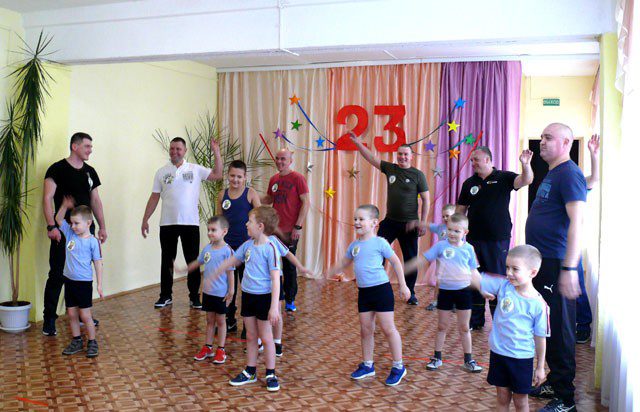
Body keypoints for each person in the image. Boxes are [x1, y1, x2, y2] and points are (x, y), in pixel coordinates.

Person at [526, 123, 586, 412]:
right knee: (547, 324)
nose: (542, 142)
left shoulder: (569, 173)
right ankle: (553, 381)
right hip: (544, 262)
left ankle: (565, 398)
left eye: (549, 138)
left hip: (557, 262)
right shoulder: (555, 172)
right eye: (542, 137)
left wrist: (570, 268)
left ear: (566, 143)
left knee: (560, 330)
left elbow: (578, 222)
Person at [324, 204, 411, 386]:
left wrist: (403, 285)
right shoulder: (354, 246)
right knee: (365, 329)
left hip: (381, 290)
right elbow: (343, 263)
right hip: (364, 293)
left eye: (361, 219)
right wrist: (326, 275)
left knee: (388, 328)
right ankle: (368, 365)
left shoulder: (380, 243)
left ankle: (398, 366)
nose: (357, 222)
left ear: (374, 223)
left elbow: (396, 262)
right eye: (355, 219)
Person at [456, 146, 533, 330]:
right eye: (472, 160)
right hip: (473, 240)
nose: (473, 163)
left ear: (488, 160)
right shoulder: (469, 183)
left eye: (476, 159)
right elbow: (460, 210)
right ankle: (475, 321)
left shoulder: (504, 177)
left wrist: (525, 165)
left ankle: (499, 321)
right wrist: (456, 232)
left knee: (497, 279)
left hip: (498, 239)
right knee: (475, 279)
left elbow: (526, 180)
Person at [141, 136, 222, 309]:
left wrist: (216, 152)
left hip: (190, 223)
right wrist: (145, 219)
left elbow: (218, 175)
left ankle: (194, 297)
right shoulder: (161, 172)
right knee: (167, 260)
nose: (175, 151)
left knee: (192, 260)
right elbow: (154, 197)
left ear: (185, 151)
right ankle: (165, 296)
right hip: (167, 223)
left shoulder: (195, 169)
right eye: (172, 148)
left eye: (178, 149)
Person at [351, 132, 430, 305]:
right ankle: (373, 287)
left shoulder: (418, 175)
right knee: (376, 253)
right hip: (390, 222)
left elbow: (426, 200)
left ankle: (410, 293)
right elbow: (371, 158)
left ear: (411, 156)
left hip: (410, 224)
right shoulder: (391, 169)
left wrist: (422, 222)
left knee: (410, 260)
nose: (402, 157)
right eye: (400, 154)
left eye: (405, 154)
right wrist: (357, 143)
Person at [210, 206, 282, 392]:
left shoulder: (271, 248)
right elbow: (232, 260)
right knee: (250, 335)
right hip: (248, 296)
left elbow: (276, 279)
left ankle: (271, 373)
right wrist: (215, 272)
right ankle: (250, 371)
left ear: (260, 226)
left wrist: (274, 307)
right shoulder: (247, 245)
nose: (246, 224)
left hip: (264, 298)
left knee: (266, 337)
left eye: (250, 221)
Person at [470, 245, 549, 412]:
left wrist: (540, 367)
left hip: (521, 359)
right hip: (498, 354)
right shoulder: (504, 286)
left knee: (521, 402)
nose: (509, 273)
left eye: (515, 269)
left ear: (532, 272)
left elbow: (540, 337)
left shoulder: (539, 305)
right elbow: (474, 277)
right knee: (502, 398)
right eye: (507, 267)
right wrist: (481, 290)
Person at [42, 132, 107, 336]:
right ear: (74, 146)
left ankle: (82, 314)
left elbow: (95, 201)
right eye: (87, 146)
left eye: (91, 147)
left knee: (82, 274)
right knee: (57, 273)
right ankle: (49, 319)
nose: (90, 150)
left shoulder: (90, 172)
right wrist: (51, 226)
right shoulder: (57, 169)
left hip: (87, 232)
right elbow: (47, 198)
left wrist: (102, 227)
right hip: (65, 231)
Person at [405, 213, 487, 373]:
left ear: (465, 232)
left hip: (464, 292)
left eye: (457, 231)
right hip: (445, 292)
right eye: (449, 229)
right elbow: (423, 259)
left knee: (464, 327)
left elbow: (474, 272)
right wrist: (409, 266)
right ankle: (437, 357)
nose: (452, 233)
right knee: (442, 326)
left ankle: (468, 360)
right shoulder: (440, 246)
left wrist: (483, 290)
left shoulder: (469, 249)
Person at [178, 216, 235, 364]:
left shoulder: (227, 251)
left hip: (221, 294)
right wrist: (183, 269)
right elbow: (197, 262)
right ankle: (208, 347)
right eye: (208, 230)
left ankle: (221, 349)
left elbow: (230, 272)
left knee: (221, 321)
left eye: (213, 230)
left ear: (224, 231)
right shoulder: (207, 249)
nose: (210, 233)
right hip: (208, 293)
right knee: (209, 320)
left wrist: (231, 291)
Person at [54, 197, 103, 358]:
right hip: (69, 281)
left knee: (85, 315)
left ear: (88, 223)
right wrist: (64, 206)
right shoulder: (70, 234)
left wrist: (99, 284)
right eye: (72, 223)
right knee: (72, 314)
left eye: (76, 223)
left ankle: (92, 342)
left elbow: (98, 263)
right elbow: (58, 219)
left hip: (84, 283)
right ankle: (76, 340)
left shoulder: (93, 242)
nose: (73, 226)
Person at [262, 149, 310, 312]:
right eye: (277, 158)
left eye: (283, 159)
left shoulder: (298, 178)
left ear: (290, 161)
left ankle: (290, 299)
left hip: (290, 230)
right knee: (272, 264)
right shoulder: (274, 179)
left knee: (289, 265)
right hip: (274, 230)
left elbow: (306, 202)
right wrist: (250, 195)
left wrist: (298, 226)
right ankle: (278, 296)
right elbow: (269, 199)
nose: (279, 161)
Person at [217, 160, 261, 332]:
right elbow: (219, 221)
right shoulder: (222, 194)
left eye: (239, 177)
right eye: (232, 176)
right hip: (228, 249)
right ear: (228, 176)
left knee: (247, 286)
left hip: (247, 249)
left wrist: (258, 241)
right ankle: (229, 319)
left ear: (245, 177)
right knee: (229, 286)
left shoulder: (251, 193)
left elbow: (260, 217)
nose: (235, 180)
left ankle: (249, 325)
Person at [575, 134, 599, 344]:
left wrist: (593, 154)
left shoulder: (579, 184)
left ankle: (583, 325)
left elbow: (594, 179)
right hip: (552, 245)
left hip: (571, 244)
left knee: (577, 285)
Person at [425, 203, 456, 311]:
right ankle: (435, 301)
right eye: (443, 216)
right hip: (441, 260)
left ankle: (453, 303)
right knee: (439, 280)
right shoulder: (440, 227)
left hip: (454, 260)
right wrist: (418, 223)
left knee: (453, 281)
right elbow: (429, 225)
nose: (445, 218)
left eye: (448, 215)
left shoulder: (457, 229)